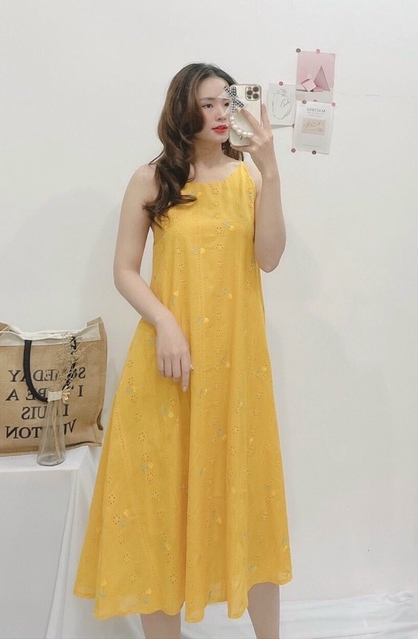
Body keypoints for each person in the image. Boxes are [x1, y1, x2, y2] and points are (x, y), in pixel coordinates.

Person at [74, 62, 292, 639]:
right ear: (183, 110)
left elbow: (269, 258)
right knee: (156, 508)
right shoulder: (151, 179)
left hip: (236, 370)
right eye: (208, 104)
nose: (221, 114)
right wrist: (165, 321)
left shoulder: (249, 179)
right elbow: (124, 270)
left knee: (250, 500)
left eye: (228, 102)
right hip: (169, 366)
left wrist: (271, 171)